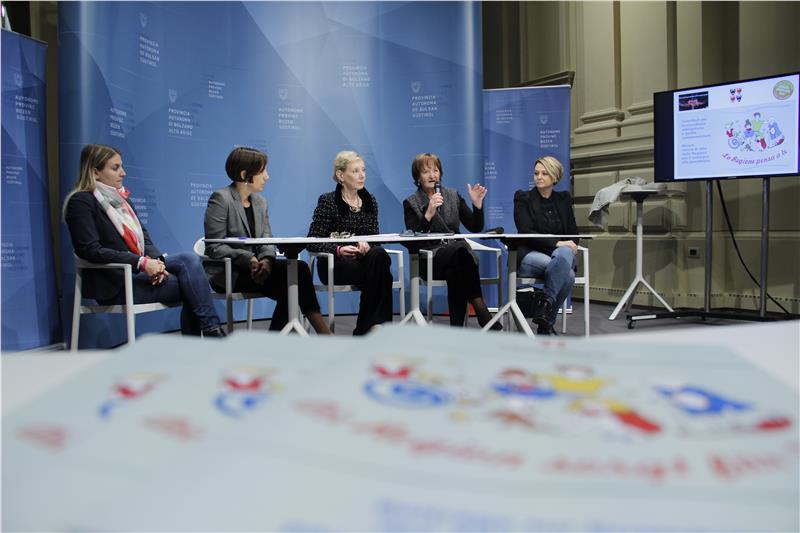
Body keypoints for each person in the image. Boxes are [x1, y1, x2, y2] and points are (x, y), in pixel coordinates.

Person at [64, 144, 226, 338]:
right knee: (192, 285)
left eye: (121, 166)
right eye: (115, 168)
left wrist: (157, 265)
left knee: (189, 259)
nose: (123, 173)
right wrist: (141, 263)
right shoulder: (81, 202)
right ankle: (210, 332)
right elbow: (90, 250)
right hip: (117, 283)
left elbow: (145, 240)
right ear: (95, 172)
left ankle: (210, 331)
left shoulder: (122, 201)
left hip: (139, 273)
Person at [203, 147, 331, 334]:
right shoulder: (221, 198)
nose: (267, 177)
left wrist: (268, 260)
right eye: (262, 171)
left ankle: (277, 341)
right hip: (230, 272)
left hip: (259, 269)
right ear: (244, 174)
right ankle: (323, 333)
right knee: (295, 278)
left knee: (294, 276)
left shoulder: (260, 202)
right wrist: (248, 258)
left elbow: (267, 239)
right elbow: (214, 246)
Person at [403, 153, 500, 329]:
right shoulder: (411, 202)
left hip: (457, 259)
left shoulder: (453, 195)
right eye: (426, 171)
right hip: (430, 259)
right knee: (461, 252)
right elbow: (414, 239)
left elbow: (475, 227)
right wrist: (428, 214)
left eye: (435, 170)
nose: (432, 175)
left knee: (455, 270)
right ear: (418, 177)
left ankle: (456, 329)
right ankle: (482, 310)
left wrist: (477, 206)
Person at [306, 150, 393, 335]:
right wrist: (338, 249)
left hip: (364, 262)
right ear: (340, 175)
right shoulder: (328, 201)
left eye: (363, 170)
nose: (362, 175)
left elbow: (375, 240)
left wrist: (367, 245)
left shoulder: (370, 201)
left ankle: (368, 328)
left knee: (379, 256)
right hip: (334, 264)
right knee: (381, 273)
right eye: (355, 171)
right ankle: (370, 328)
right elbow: (313, 241)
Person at [513, 155, 579, 335]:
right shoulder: (523, 198)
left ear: (555, 176)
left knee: (565, 260)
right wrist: (558, 243)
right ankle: (547, 322)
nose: (539, 177)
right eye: (536, 173)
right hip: (530, 255)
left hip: (558, 256)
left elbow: (573, 234)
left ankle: (544, 307)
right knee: (568, 274)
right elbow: (526, 232)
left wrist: (564, 246)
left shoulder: (563, 199)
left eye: (544, 173)